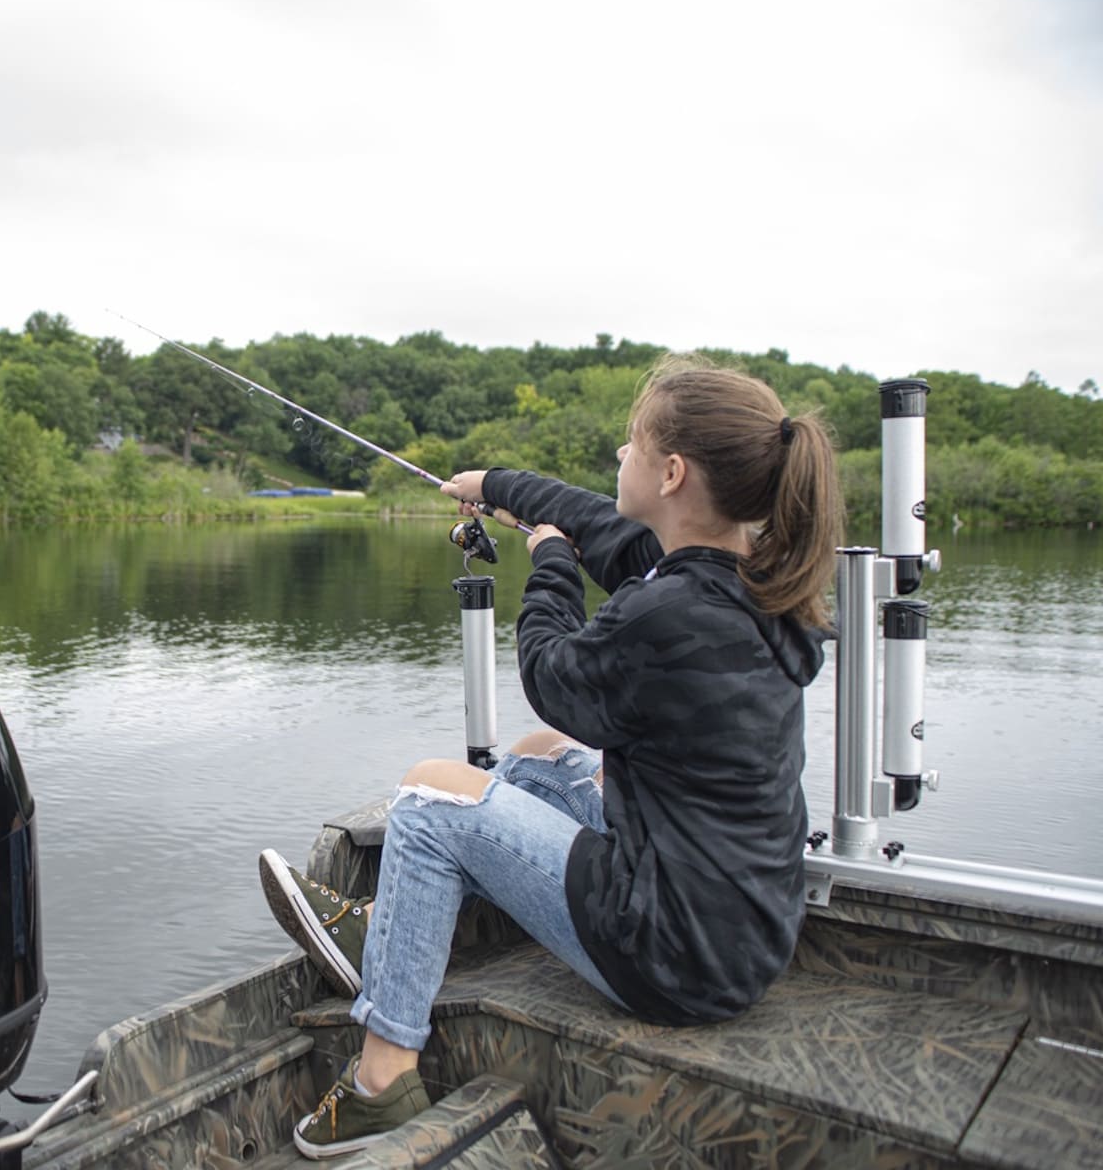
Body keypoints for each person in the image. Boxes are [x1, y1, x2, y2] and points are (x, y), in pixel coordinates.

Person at [258, 353, 843, 1159]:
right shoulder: (753, 586)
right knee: (539, 758)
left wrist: (552, 563)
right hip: (741, 934)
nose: (620, 455)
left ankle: (380, 1083)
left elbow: (551, 673)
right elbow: (602, 527)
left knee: (429, 802)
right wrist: (495, 485)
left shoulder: (668, 613)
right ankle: (391, 931)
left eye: (632, 443)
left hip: (673, 955)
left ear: (672, 474)